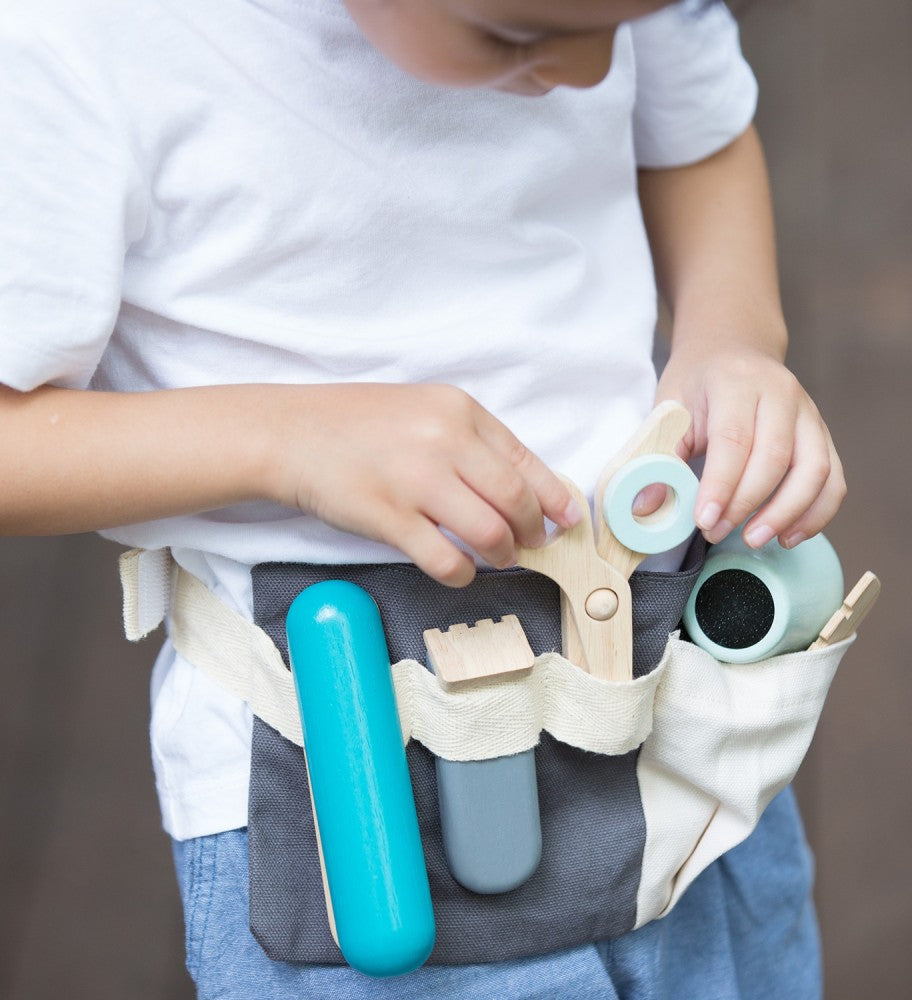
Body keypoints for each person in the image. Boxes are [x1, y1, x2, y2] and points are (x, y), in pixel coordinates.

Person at [0, 0, 846, 996]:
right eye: (514, 37)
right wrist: (286, 439)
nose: (586, 75)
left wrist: (730, 338)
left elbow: (698, 135)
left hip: (678, 747)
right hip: (353, 816)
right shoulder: (76, 42)